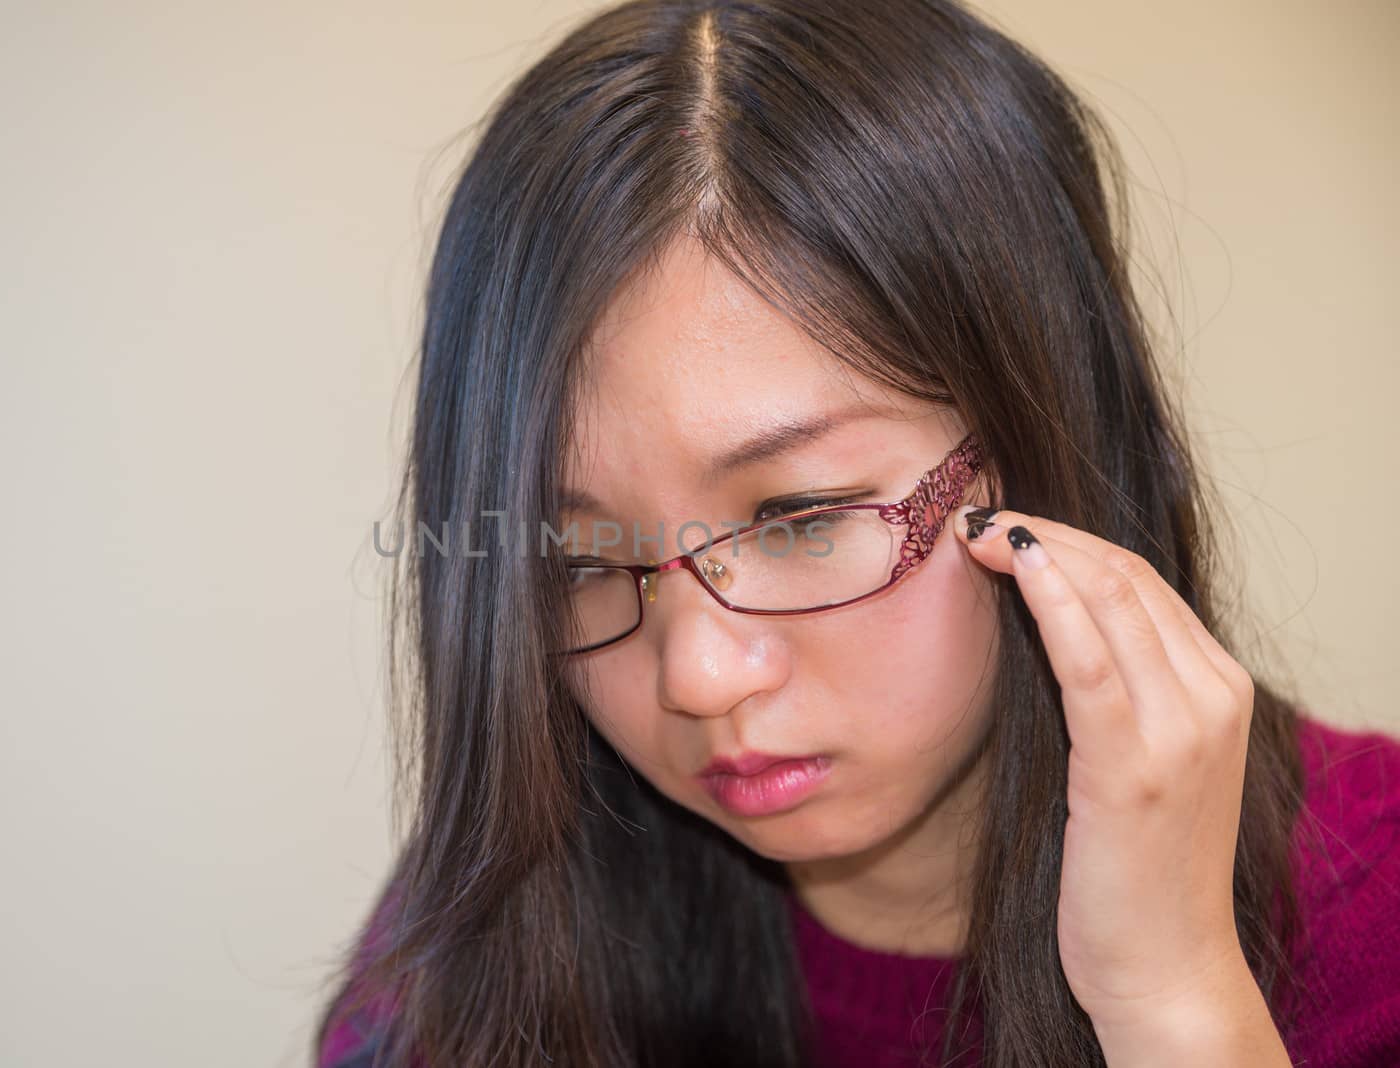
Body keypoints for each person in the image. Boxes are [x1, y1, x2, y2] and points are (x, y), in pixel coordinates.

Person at [315, 0, 1400, 1065]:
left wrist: (1170, 998)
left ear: (1044, 445)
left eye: (800, 518)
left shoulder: (1370, 917)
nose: (696, 675)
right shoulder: (485, 943)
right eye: (580, 562)